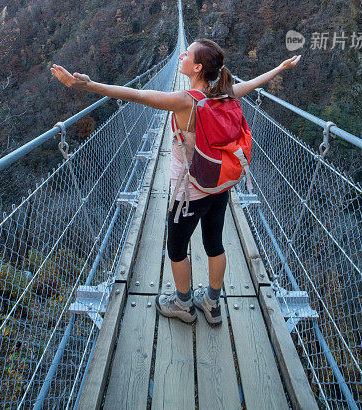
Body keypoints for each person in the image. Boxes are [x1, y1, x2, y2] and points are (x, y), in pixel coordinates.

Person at [50, 40, 301, 326]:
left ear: (196, 67)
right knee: (214, 244)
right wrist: (278, 68)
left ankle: (183, 305)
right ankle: (212, 303)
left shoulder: (185, 101)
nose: (180, 54)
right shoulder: (225, 93)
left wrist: (88, 85)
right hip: (219, 186)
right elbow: (252, 84)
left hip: (189, 193)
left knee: (177, 249)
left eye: (186, 53)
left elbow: (138, 95)